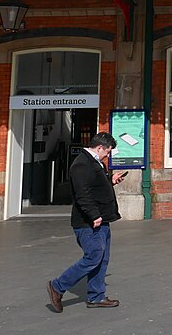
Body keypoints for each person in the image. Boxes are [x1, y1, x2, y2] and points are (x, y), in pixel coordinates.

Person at [47, 133, 128, 313]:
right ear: (99, 148)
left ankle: (96, 296)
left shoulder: (94, 162)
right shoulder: (81, 165)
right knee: (93, 257)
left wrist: (111, 181)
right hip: (89, 222)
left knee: (102, 259)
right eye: (107, 152)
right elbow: (83, 194)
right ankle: (57, 286)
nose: (107, 156)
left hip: (102, 220)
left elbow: (94, 185)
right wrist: (93, 215)